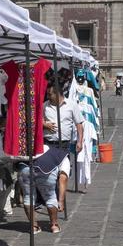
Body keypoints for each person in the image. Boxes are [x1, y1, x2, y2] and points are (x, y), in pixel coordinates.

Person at [43, 79, 84, 212]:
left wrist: (79, 141)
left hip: (63, 145)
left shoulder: (71, 105)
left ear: (58, 94)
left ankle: (60, 201)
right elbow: (36, 121)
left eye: (50, 94)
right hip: (48, 144)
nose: (48, 96)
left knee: (63, 173)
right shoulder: (45, 106)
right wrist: (44, 124)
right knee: (50, 175)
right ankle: (51, 199)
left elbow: (79, 124)